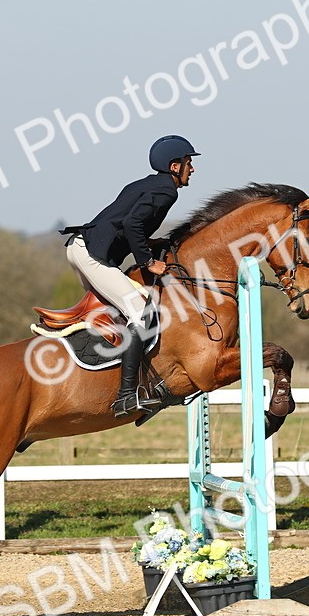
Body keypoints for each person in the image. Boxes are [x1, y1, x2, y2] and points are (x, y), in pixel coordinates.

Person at [60, 135, 199, 417]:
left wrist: (151, 244)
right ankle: (126, 395)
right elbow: (132, 222)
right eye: (188, 163)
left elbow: (128, 223)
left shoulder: (148, 183)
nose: (192, 169)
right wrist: (147, 261)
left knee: (113, 313)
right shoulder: (167, 190)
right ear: (175, 167)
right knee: (140, 310)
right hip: (91, 254)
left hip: (80, 247)